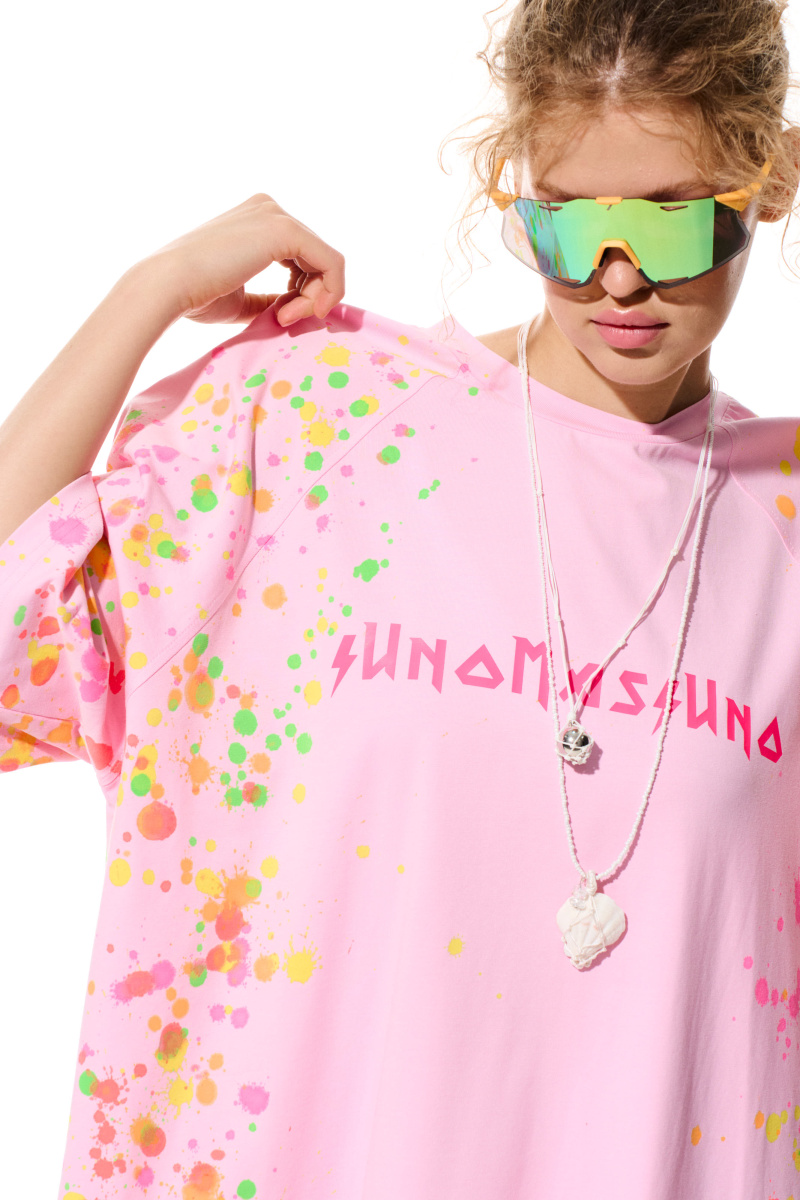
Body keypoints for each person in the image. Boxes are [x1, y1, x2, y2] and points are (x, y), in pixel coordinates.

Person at [1, 0, 799, 1195]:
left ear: (765, 186)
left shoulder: (779, 521)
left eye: (669, 223)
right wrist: (147, 289)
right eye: (564, 224)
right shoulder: (320, 421)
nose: (615, 276)